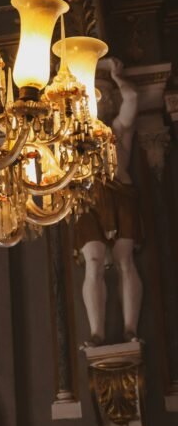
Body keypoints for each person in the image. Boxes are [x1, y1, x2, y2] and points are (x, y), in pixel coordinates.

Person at [74, 58, 143, 345]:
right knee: (93, 261)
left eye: (102, 95)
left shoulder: (118, 130)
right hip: (88, 200)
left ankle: (130, 329)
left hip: (120, 195)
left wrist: (118, 76)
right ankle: (96, 332)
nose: (98, 102)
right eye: (93, 95)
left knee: (125, 261)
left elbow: (133, 97)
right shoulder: (74, 135)